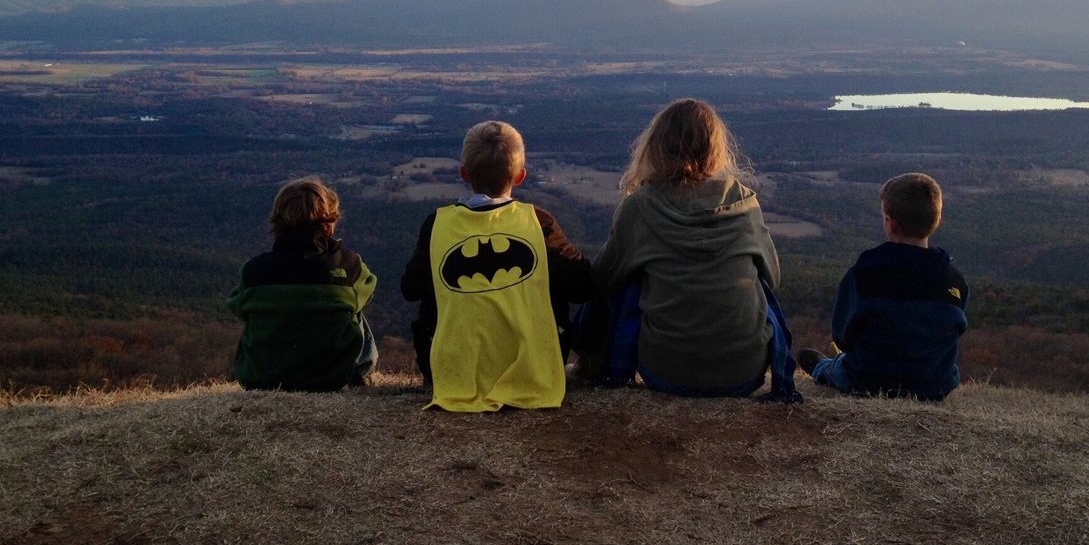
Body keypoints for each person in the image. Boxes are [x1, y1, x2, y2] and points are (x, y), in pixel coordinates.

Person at [578, 98, 799, 401]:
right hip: (744, 375)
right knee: (754, 276)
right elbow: (772, 276)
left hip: (665, 374)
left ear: (656, 147)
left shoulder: (640, 206)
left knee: (627, 276)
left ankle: (595, 368)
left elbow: (602, 279)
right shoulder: (744, 202)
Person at [401, 120, 591, 411]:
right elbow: (582, 286)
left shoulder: (437, 225)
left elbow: (410, 289)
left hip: (451, 371)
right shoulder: (538, 223)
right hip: (533, 369)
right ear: (520, 177)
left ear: (464, 174)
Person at [798, 172, 969, 401]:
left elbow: (842, 337)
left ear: (891, 223)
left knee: (839, 367)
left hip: (869, 379)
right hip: (934, 384)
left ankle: (821, 367)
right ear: (935, 220)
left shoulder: (865, 273)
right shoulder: (955, 281)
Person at [227, 177, 378, 391]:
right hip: (332, 377)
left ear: (278, 222)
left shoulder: (254, 270)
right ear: (328, 224)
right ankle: (359, 374)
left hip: (261, 378)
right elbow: (369, 290)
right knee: (353, 307)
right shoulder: (349, 264)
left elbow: (236, 304)